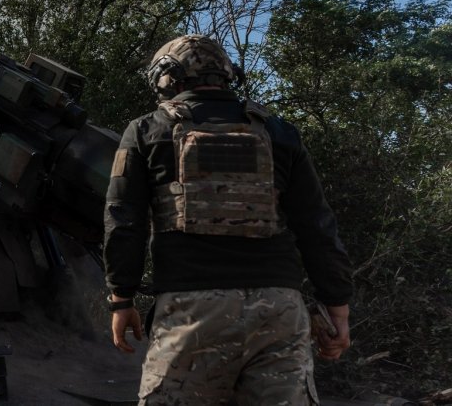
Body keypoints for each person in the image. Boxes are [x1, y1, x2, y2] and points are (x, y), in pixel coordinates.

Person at [104, 34, 354, 405]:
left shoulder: (146, 131)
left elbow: (124, 221)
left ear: (168, 78)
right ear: (226, 75)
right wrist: (338, 307)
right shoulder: (279, 132)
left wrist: (121, 300)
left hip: (191, 311)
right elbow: (316, 224)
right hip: (280, 311)